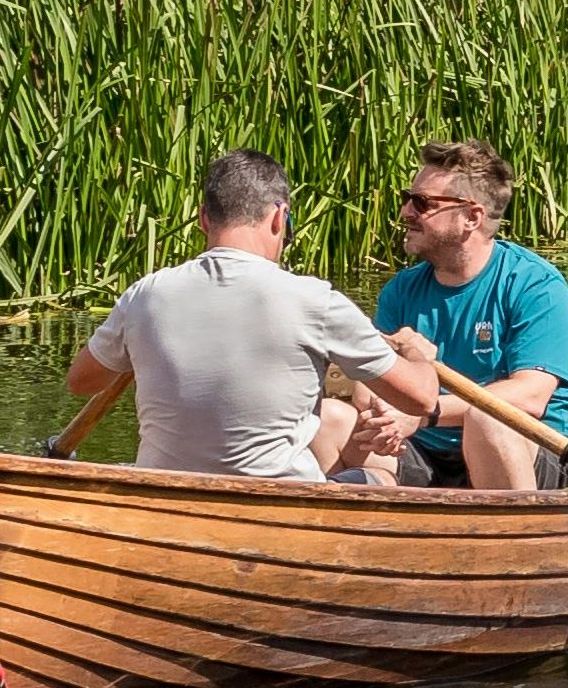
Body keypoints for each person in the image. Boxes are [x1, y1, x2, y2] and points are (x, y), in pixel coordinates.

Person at [43, 150, 450, 479]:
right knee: (380, 478)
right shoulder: (315, 300)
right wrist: (419, 357)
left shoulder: (145, 296)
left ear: (204, 220)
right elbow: (421, 399)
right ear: (279, 217)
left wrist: (148, 348)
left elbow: (81, 382)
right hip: (280, 506)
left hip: (168, 499)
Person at [357, 138, 568, 488]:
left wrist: (424, 414)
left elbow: (531, 396)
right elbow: (370, 377)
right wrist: (383, 414)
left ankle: (518, 537)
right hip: (426, 453)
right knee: (332, 420)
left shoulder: (535, 286)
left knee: (489, 420)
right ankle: (356, 529)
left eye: (422, 203)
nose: (406, 212)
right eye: (407, 199)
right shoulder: (401, 289)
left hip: (530, 452)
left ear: (471, 217)